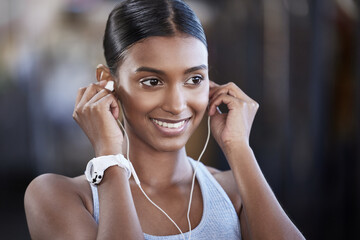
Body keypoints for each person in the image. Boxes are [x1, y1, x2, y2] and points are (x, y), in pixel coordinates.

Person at [24, 0, 305, 239]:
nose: (176, 104)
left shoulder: (235, 189)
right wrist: (109, 155)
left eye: (194, 79)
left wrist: (239, 148)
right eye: (152, 81)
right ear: (108, 83)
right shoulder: (58, 196)